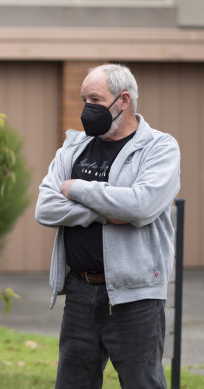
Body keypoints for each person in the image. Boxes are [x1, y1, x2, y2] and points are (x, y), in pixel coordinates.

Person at [35, 63, 181, 388]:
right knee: (72, 383)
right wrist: (107, 210)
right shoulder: (73, 148)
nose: (87, 108)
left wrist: (77, 190)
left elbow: (141, 205)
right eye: (83, 98)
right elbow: (45, 208)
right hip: (79, 290)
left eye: (96, 100)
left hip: (135, 295)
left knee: (141, 382)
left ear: (124, 100)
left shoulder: (159, 148)